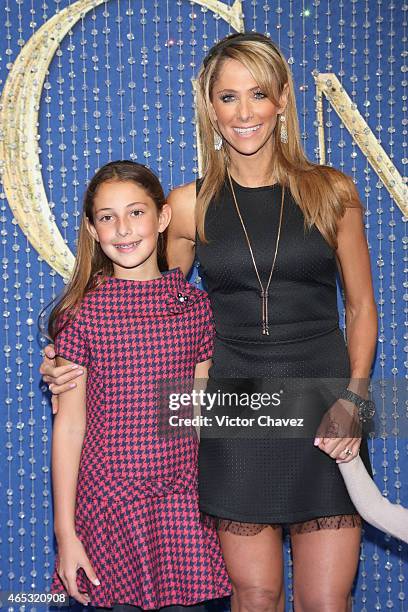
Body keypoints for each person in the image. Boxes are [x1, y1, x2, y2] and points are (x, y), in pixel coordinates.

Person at [40, 32, 403, 611]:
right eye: (227, 97)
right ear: (209, 106)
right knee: (254, 594)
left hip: (326, 408)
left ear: (283, 100)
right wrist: (66, 357)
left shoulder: (334, 192)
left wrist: (356, 400)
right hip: (233, 416)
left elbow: (361, 307)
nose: (244, 112)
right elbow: (147, 302)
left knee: (325, 601)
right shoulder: (188, 205)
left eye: (257, 94)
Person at [46, 160, 231, 611]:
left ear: (163, 218)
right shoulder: (83, 315)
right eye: (107, 217)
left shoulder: (195, 307)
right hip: (109, 505)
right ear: (92, 229)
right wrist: (66, 535)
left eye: (136, 212)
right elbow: (70, 427)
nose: (123, 229)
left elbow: (199, 411)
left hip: (183, 505)